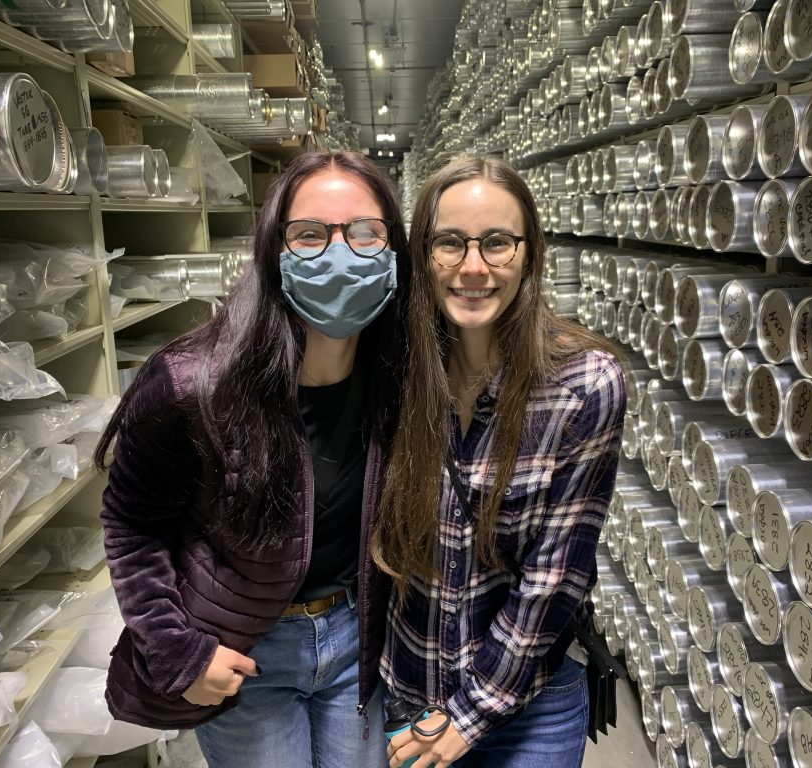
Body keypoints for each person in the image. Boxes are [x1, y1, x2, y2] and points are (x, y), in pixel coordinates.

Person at [95, 150, 410, 768]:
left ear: (393, 249)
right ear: (275, 249)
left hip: (356, 642)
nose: (340, 253)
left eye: (365, 232)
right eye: (311, 234)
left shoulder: (398, 378)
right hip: (245, 654)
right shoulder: (194, 384)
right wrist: (177, 652)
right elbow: (131, 524)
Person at [372, 156, 626, 768]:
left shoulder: (583, 386)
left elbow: (554, 577)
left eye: (497, 244)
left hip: (525, 707)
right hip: (405, 692)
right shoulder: (392, 367)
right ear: (422, 254)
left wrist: (469, 715)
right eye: (450, 244)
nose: (473, 267)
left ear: (530, 252)